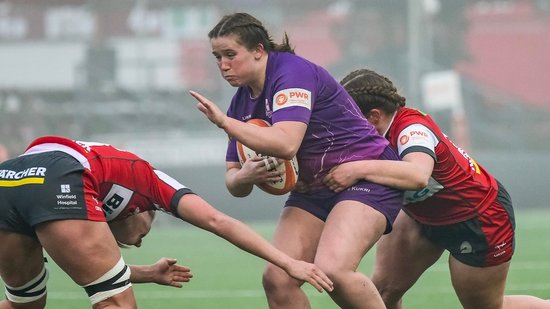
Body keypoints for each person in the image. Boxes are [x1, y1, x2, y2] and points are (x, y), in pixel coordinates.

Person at [189, 12, 403, 309]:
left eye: (230, 54)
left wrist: (225, 123)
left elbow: (286, 143)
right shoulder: (240, 102)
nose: (223, 65)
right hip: (313, 190)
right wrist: (245, 176)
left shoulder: (291, 73)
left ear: (259, 51)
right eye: (217, 57)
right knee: (278, 278)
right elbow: (233, 181)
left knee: (334, 271)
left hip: (363, 177)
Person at [0, 135, 333, 309]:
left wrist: (147, 272)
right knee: (115, 301)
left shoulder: (93, 201)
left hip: (9, 178)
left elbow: (80, 265)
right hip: (58, 171)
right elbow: (218, 220)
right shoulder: (151, 181)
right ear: (143, 213)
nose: (135, 242)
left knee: (26, 305)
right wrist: (290, 262)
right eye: (144, 237)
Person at [323, 68, 550, 309]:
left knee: (487, 307)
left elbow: (418, 175)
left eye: (348, 117)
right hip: (421, 216)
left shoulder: (411, 129)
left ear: (374, 116)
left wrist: (357, 169)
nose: (343, 125)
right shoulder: (372, 134)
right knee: (382, 293)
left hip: (479, 219)